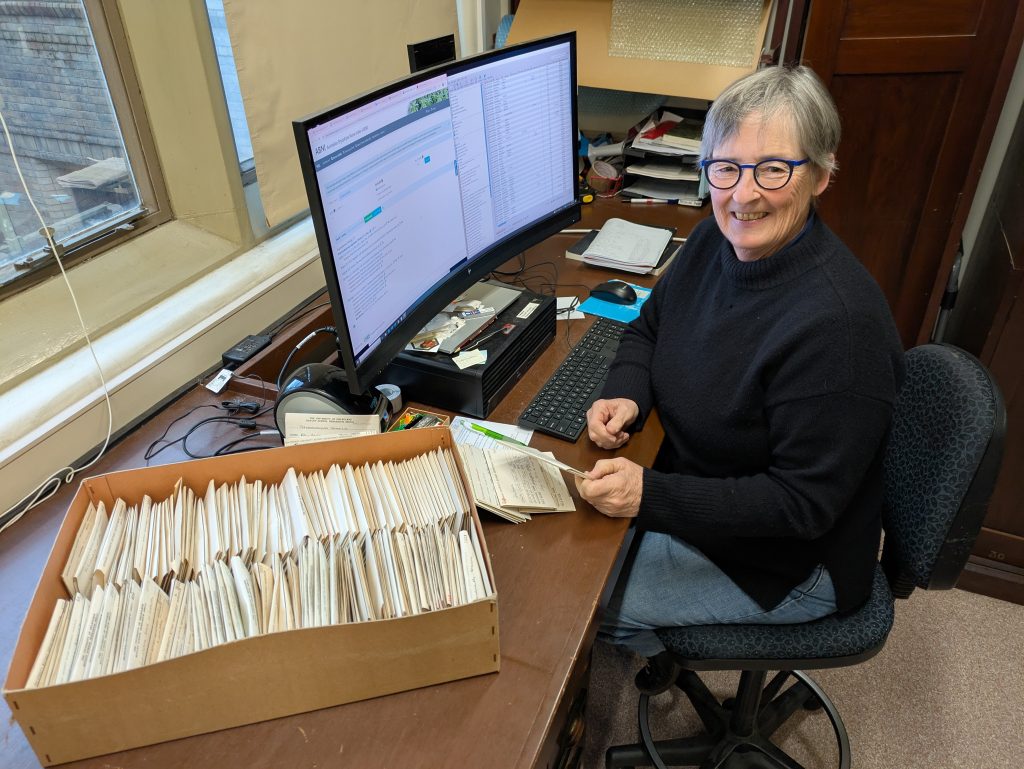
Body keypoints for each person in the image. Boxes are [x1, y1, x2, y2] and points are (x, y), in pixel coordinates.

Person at [577, 65, 904, 690]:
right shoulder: (713, 243)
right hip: (705, 491)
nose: (743, 195)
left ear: (822, 176)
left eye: (773, 169)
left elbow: (801, 506)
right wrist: (625, 391)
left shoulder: (839, 329)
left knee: (574, 600)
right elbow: (649, 328)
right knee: (569, 544)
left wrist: (652, 497)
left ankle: (657, 646)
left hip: (785, 561)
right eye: (724, 168)